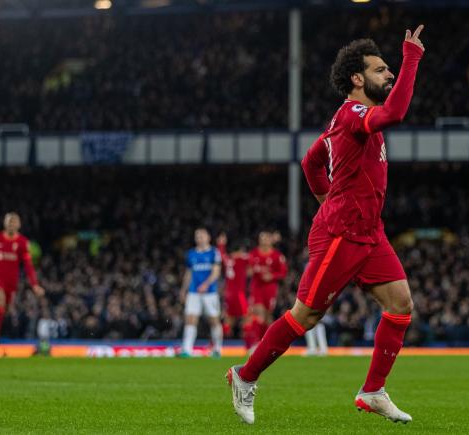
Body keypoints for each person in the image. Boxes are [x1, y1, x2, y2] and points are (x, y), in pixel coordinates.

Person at [226, 25, 425, 424]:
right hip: (342, 233)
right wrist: (410, 57)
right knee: (306, 316)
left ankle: (372, 391)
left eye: (390, 69)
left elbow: (311, 161)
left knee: (401, 306)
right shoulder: (354, 114)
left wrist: (326, 198)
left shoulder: (345, 122)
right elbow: (397, 112)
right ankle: (244, 377)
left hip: (369, 231)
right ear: (357, 78)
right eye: (380, 69)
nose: (388, 75)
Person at [0, 212, 44, 343]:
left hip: (11, 282)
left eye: (14, 222)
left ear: (19, 225)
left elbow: (28, 266)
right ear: (4, 223)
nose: (11, 224)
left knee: (3, 311)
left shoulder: (22, 242)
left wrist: (34, 284)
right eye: (9, 221)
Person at [179, 228, 222, 358]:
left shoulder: (214, 253)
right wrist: (183, 290)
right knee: (190, 319)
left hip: (210, 292)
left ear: (208, 237)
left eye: (202, 236)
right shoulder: (191, 254)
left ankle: (217, 349)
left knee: (214, 320)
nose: (199, 238)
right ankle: (187, 349)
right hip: (193, 292)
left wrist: (206, 284)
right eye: (197, 236)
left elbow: (216, 272)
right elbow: (188, 273)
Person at [242, 231, 287, 350]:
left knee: (268, 317)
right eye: (261, 238)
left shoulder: (277, 256)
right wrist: (249, 271)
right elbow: (248, 269)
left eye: (266, 238)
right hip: (257, 288)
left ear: (270, 240)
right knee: (258, 313)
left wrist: (272, 276)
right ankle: (256, 343)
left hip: (270, 289)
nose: (264, 240)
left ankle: (267, 341)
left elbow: (283, 273)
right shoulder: (253, 254)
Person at [216, 233, 251, 341]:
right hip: (238, 293)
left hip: (228, 294)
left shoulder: (228, 259)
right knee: (247, 317)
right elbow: (253, 260)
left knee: (229, 318)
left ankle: (220, 342)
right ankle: (249, 343)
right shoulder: (242, 258)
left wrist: (221, 244)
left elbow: (221, 255)